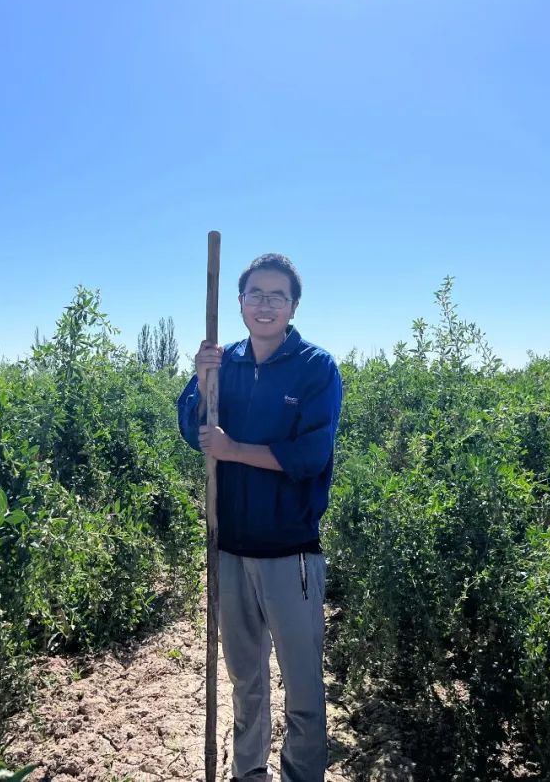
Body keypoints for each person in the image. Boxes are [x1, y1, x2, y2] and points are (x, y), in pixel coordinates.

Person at [177, 253, 342, 782]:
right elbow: (193, 431)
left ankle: (301, 775)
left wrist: (234, 449)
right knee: (245, 679)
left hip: (289, 553)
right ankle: (248, 773)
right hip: (227, 547)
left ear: (293, 307)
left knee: (302, 687)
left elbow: (308, 458)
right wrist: (204, 381)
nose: (265, 305)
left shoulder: (317, 369)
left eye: (277, 296)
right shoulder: (221, 361)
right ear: (240, 301)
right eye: (256, 294)